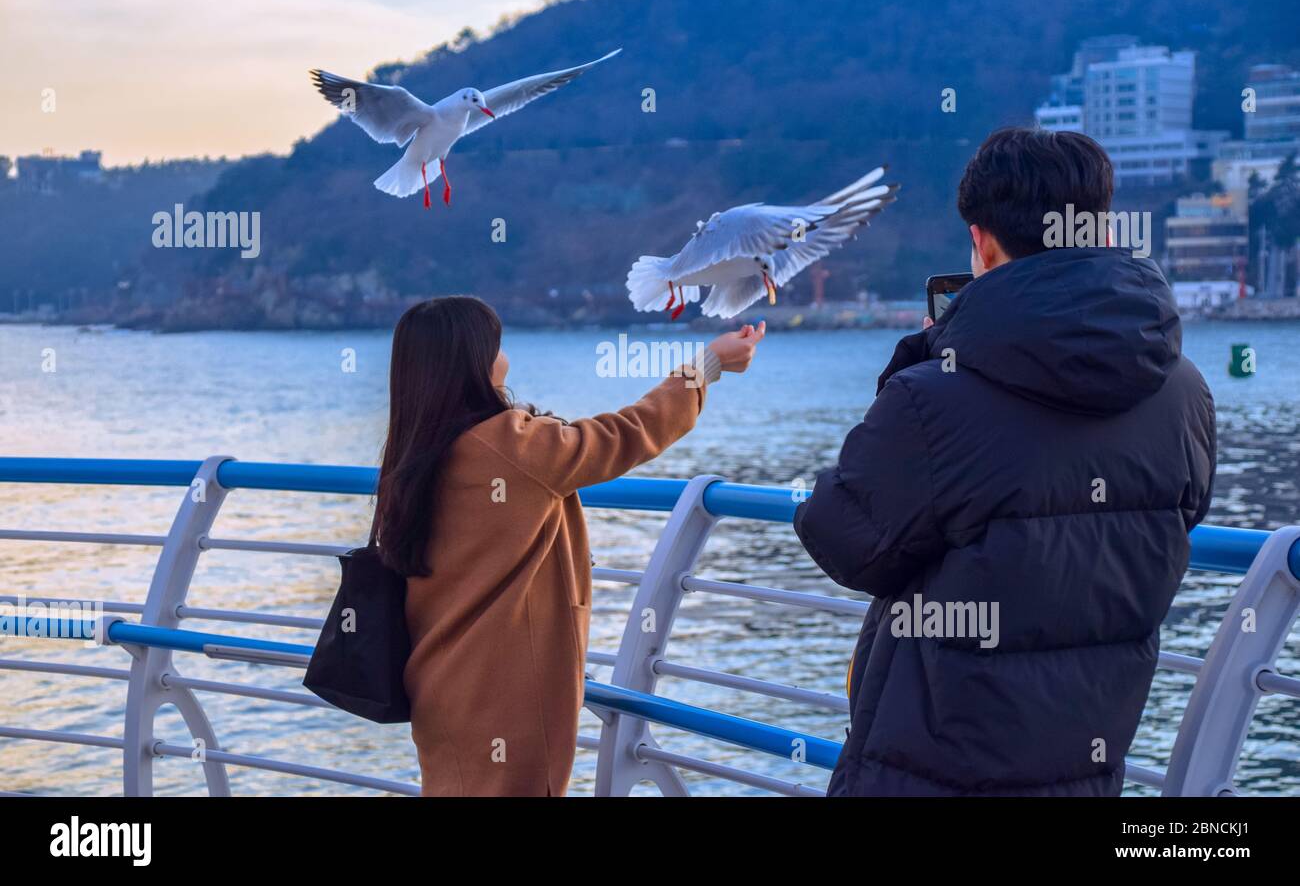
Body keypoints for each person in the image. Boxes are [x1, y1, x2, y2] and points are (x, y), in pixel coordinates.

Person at [794, 127, 1216, 796]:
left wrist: (913, 372)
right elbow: (1180, 517)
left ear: (981, 241)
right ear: (1100, 229)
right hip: (1087, 766)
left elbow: (842, 537)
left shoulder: (932, 397)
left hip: (928, 772)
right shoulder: (1185, 390)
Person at [376, 296, 764, 796]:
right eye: (497, 346)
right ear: (474, 361)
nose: (505, 358)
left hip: (436, 683)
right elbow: (629, 433)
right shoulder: (511, 446)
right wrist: (706, 367)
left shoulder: (412, 453)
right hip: (503, 691)